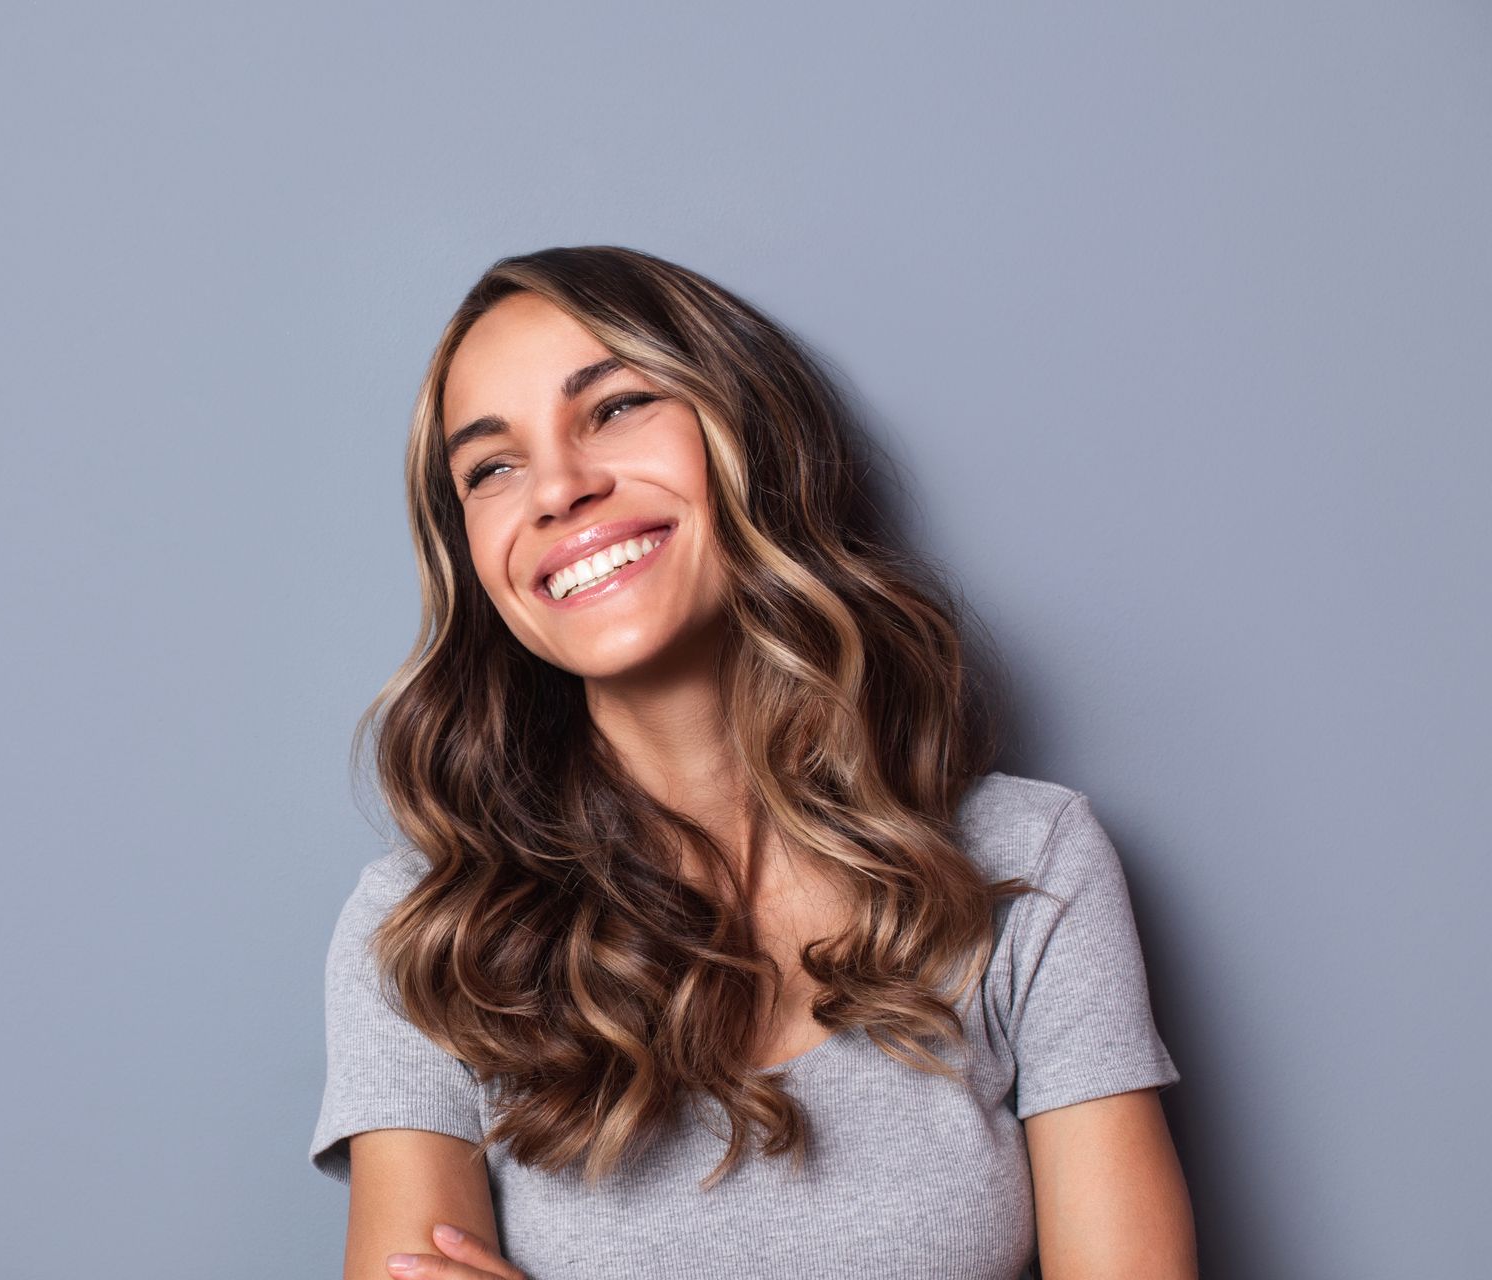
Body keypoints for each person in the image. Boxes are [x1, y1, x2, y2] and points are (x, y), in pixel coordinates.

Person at [308, 245, 1196, 1279]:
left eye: (615, 406)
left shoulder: (1031, 866)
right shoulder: (425, 934)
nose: (558, 486)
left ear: (748, 435)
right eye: (491, 466)